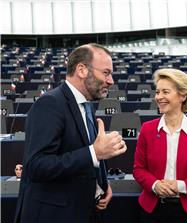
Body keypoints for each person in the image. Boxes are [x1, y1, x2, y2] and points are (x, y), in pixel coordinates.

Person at [14, 43, 127, 223]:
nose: (111, 80)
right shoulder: (50, 104)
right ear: (81, 70)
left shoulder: (86, 104)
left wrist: (101, 184)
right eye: (106, 73)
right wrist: (94, 153)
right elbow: (36, 166)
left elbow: (83, 152)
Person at [133, 68, 187, 223]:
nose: (159, 97)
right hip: (152, 209)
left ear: (182, 96)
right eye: (157, 92)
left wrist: (181, 185)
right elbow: (138, 169)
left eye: (165, 92)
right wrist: (155, 184)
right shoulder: (147, 129)